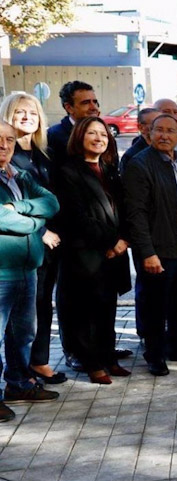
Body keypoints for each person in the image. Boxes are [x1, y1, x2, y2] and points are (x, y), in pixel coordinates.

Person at [122, 113, 177, 376]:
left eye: (170, 131)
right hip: (159, 248)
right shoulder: (140, 164)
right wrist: (147, 253)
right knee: (155, 305)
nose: (164, 135)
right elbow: (135, 214)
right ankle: (155, 354)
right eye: (158, 130)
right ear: (148, 133)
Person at [55, 117, 131, 385]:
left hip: (114, 254)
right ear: (79, 136)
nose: (99, 138)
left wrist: (124, 240)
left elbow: (124, 209)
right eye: (92, 133)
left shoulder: (109, 169)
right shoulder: (68, 171)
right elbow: (77, 217)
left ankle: (108, 357)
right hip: (85, 254)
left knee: (107, 308)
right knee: (85, 312)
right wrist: (111, 242)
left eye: (104, 133)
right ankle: (93, 364)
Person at [1, 92, 65, 385]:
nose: (27, 118)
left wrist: (30, 213)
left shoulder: (36, 161)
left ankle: (29, 371)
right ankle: (18, 377)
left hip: (40, 253)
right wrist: (39, 227)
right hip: (14, 257)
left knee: (33, 317)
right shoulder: (11, 162)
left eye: (33, 113)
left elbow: (51, 202)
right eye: (19, 113)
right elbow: (5, 214)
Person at [46, 80, 99, 164]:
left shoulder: (105, 135)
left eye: (95, 102)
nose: (94, 107)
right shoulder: (53, 136)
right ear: (69, 108)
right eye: (86, 103)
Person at [119, 107, 161, 172]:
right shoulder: (132, 157)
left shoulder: (166, 151)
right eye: (155, 123)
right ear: (141, 127)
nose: (161, 128)